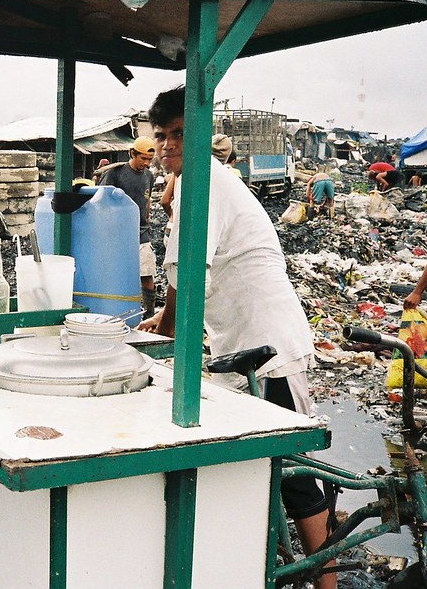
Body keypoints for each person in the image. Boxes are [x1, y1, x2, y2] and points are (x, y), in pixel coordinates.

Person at [140, 87, 335, 589]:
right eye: (161, 136)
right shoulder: (196, 182)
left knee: (293, 474)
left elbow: (187, 276)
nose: (166, 145)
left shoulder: (204, 181)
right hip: (246, 340)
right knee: (268, 466)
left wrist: (163, 326)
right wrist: (162, 323)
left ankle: (329, 583)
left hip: (267, 344)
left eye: (180, 134)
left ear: (203, 135)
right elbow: (186, 277)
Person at [99, 136, 158, 318]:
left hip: (141, 233)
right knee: (117, 275)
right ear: (132, 153)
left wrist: (146, 220)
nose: (146, 163)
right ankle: (113, 311)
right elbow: (101, 201)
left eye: (149, 160)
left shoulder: (148, 175)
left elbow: (146, 201)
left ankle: (148, 314)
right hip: (117, 234)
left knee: (147, 274)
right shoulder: (115, 173)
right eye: (143, 158)